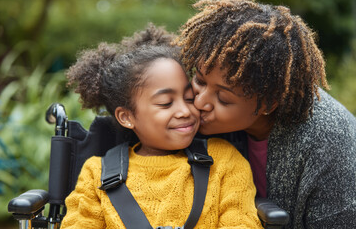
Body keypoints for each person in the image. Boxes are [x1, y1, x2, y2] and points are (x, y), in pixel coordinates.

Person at [176, 0, 356, 229]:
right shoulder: (195, 117)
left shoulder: (330, 141)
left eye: (222, 98)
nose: (200, 102)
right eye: (199, 80)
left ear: (268, 103)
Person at [60, 24, 263, 229]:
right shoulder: (97, 173)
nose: (185, 111)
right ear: (126, 116)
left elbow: (241, 223)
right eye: (166, 103)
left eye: (190, 98)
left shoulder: (224, 160)